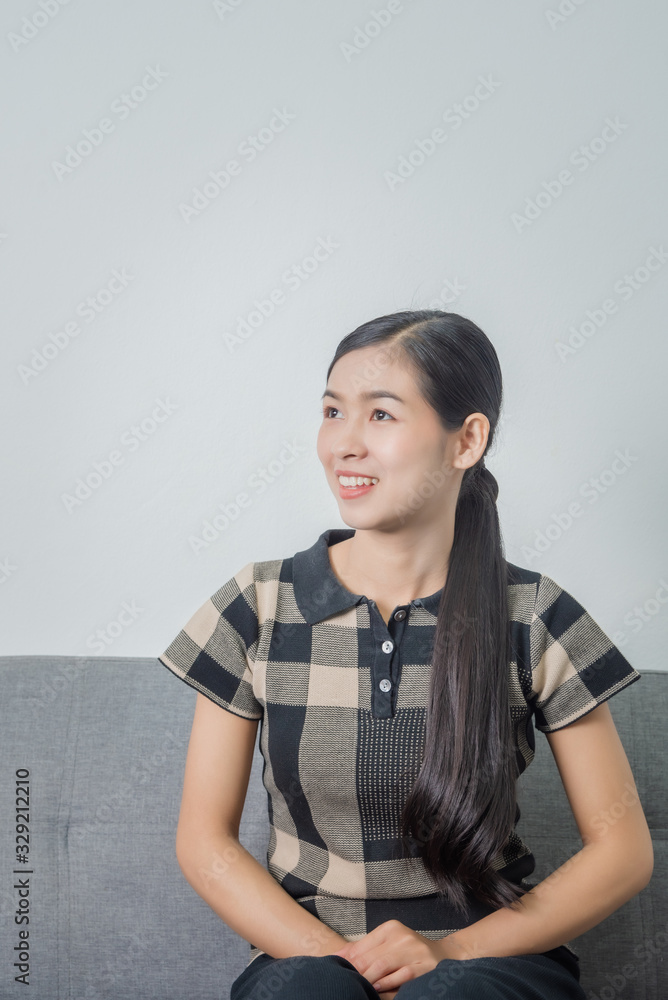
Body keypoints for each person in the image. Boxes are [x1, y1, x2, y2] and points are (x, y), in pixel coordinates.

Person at [158, 310, 653, 1000]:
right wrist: (347, 965)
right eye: (333, 412)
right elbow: (204, 842)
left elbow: (621, 851)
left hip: (492, 959)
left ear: (466, 440)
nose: (344, 444)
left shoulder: (533, 614)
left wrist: (446, 953)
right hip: (311, 961)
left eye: (381, 415)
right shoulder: (258, 603)